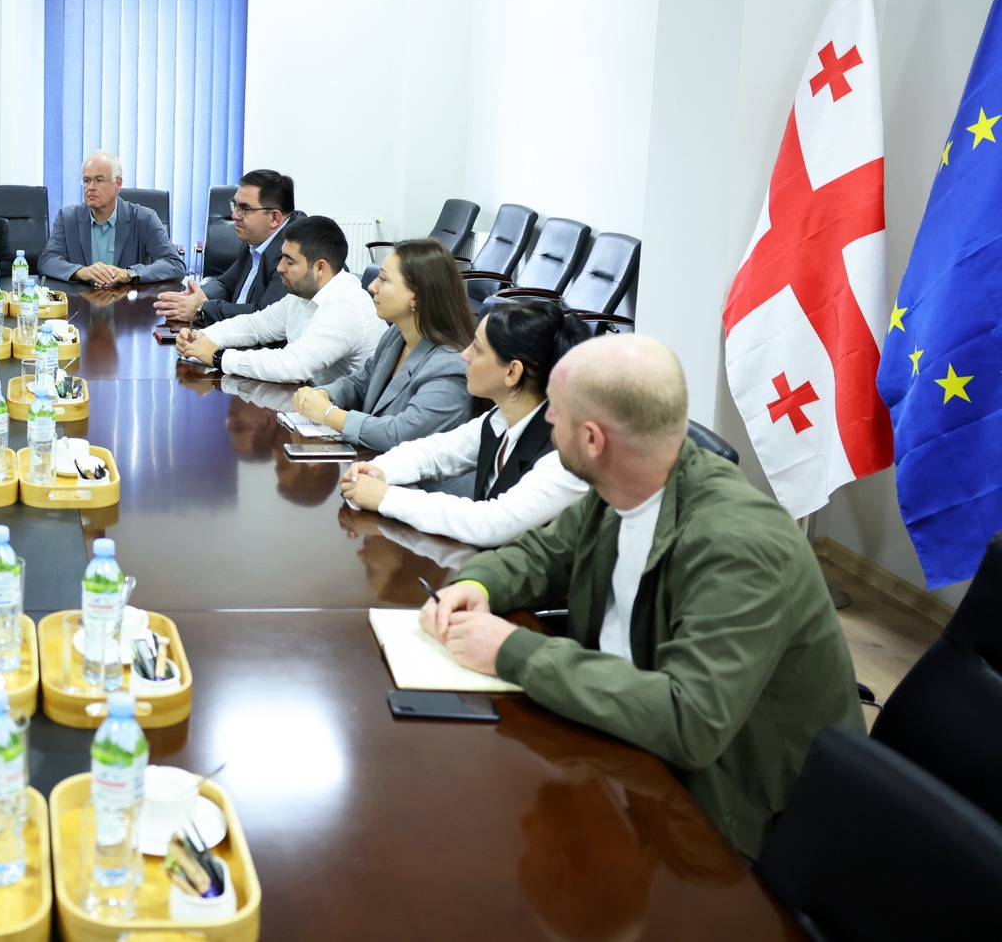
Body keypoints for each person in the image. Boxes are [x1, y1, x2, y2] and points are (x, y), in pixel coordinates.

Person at [421, 334, 866, 857]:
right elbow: (542, 554)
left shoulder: (736, 545)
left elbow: (691, 721)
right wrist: (475, 585)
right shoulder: (624, 485)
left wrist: (511, 650)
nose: (546, 421)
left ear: (592, 440)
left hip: (733, 815)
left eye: (555, 411)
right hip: (627, 736)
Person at [338, 302, 592, 546]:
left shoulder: (565, 456)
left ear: (512, 372)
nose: (464, 355)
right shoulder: (501, 417)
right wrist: (377, 470)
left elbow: (492, 524)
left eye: (478, 350)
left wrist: (386, 497)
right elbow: (433, 453)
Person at [291, 238, 473, 451]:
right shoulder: (397, 335)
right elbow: (361, 383)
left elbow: (400, 434)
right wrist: (323, 394)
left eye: (384, 280)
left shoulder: (451, 365)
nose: (372, 286)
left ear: (417, 296)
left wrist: (328, 414)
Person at [173, 215, 383, 387]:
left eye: (290, 261)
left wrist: (218, 356)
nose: (280, 267)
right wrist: (203, 337)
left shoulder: (345, 306)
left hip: (341, 416)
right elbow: (255, 326)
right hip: (310, 399)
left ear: (320, 267)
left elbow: (293, 365)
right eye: (282, 257)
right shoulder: (302, 294)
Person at [155, 169, 300, 324]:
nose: (234, 215)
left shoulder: (293, 254)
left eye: (244, 209)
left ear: (274, 218)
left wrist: (202, 309)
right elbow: (224, 285)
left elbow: (264, 316)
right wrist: (195, 297)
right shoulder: (255, 241)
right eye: (235, 206)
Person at [37, 151, 185, 287]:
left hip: (129, 303)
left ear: (118, 183)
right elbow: (47, 261)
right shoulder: (67, 218)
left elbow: (174, 264)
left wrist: (129, 274)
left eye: (99, 180)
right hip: (81, 302)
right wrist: (81, 272)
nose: (91, 187)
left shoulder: (145, 219)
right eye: (87, 180)